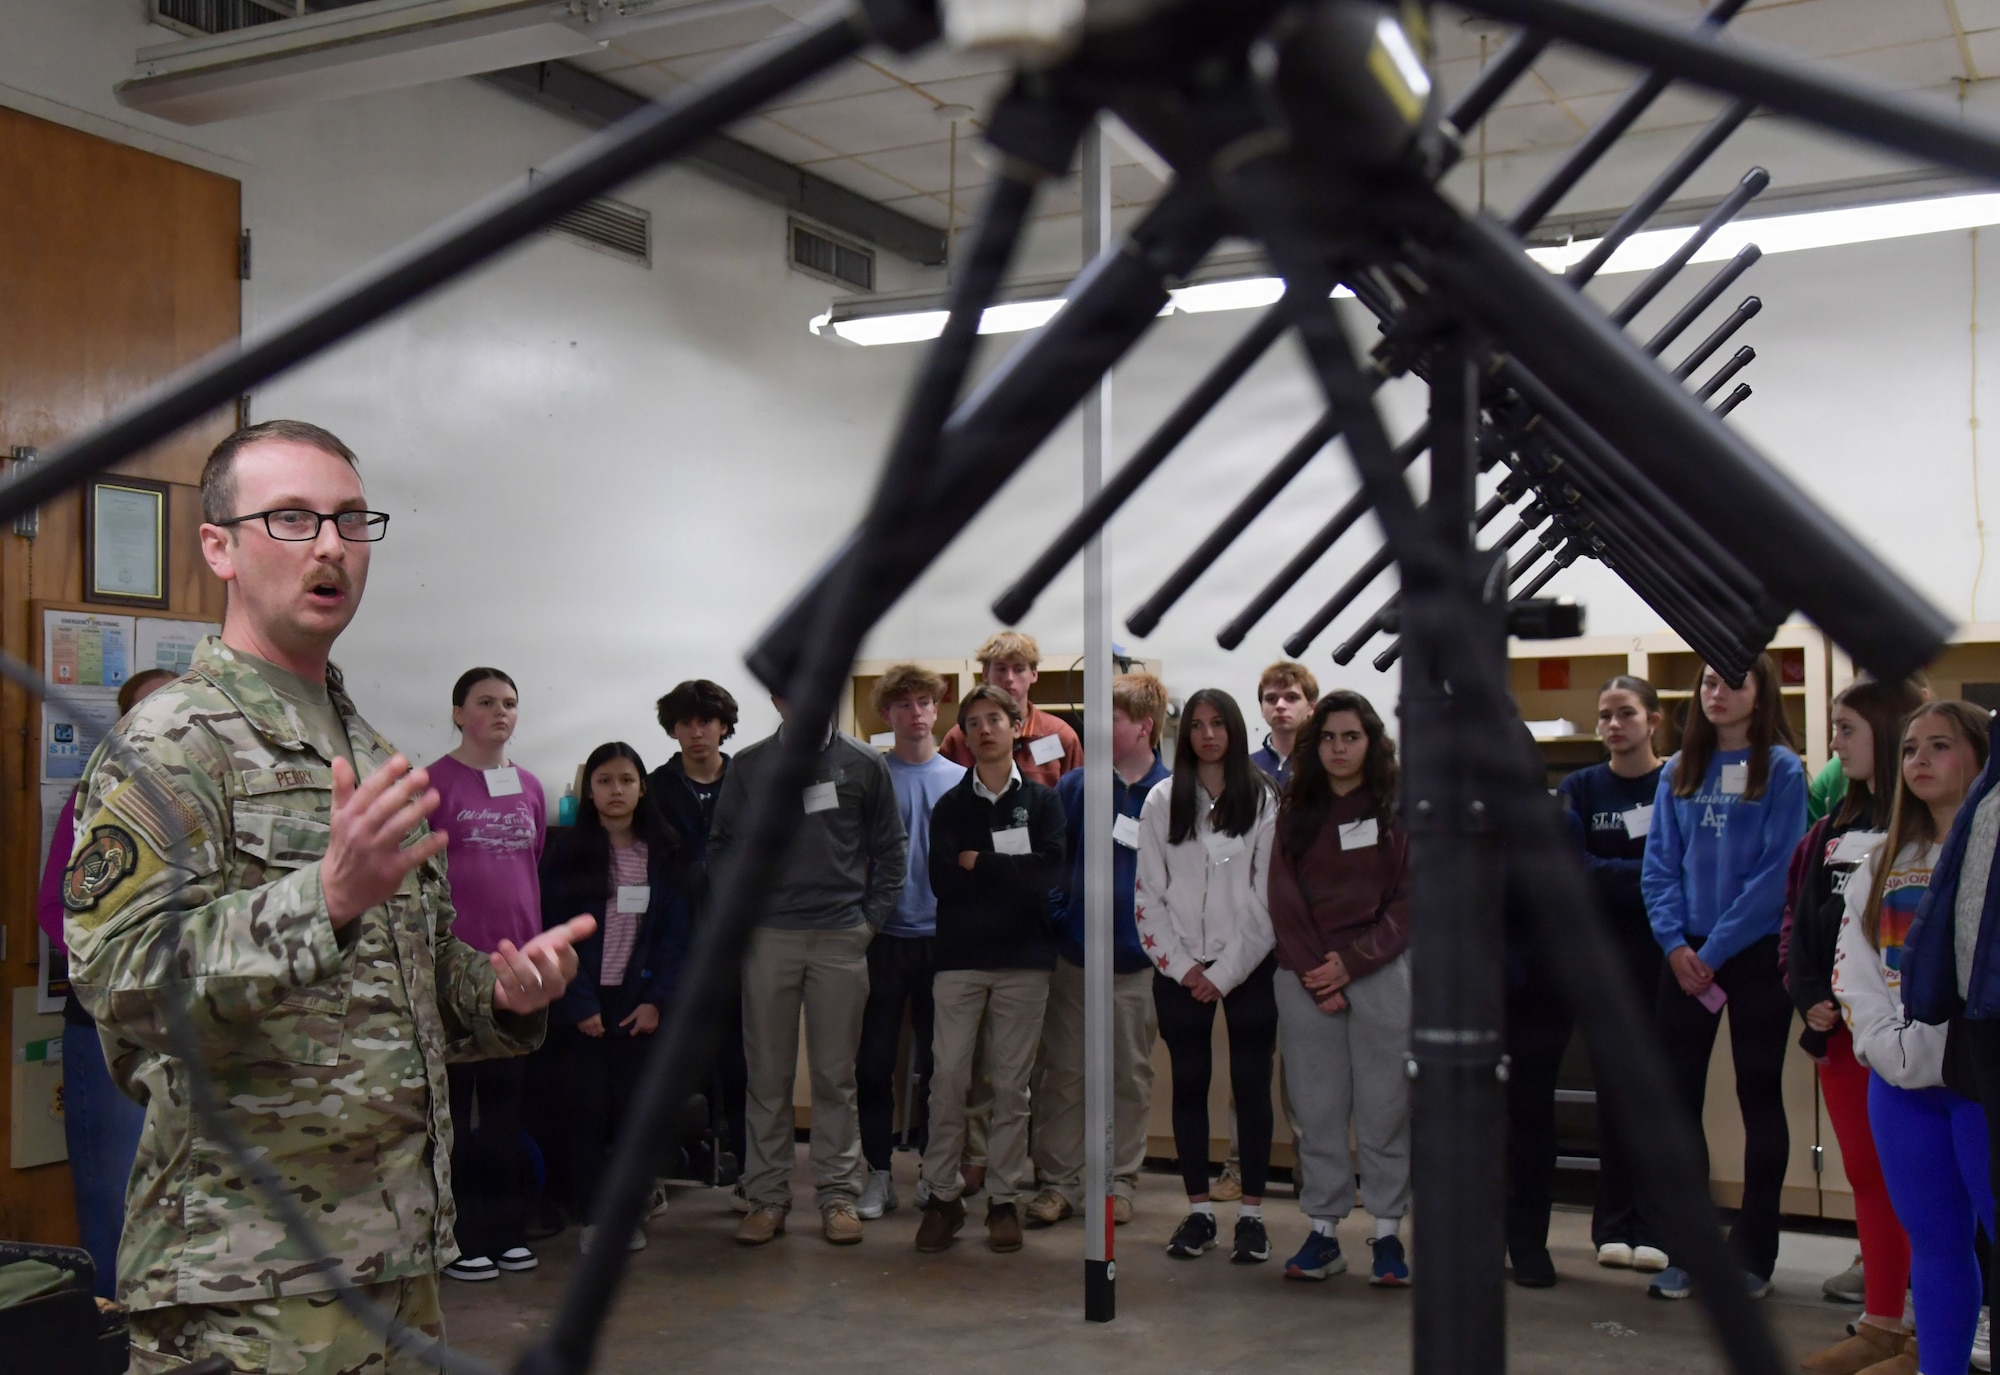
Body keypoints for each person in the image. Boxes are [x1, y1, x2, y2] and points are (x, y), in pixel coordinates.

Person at [63, 420, 590, 1374]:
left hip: (393, 1257)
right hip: (245, 1282)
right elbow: (123, 982)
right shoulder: (176, 743)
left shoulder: (367, 744)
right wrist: (324, 900)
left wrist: (502, 992)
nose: (332, 547)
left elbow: (412, 979)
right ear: (217, 544)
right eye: (294, 518)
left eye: (352, 521)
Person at [1832, 701, 1995, 1375]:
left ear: (1981, 761)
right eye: (1909, 748)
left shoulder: (1987, 857)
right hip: (1898, 1081)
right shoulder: (1881, 859)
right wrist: (1883, 1042)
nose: (1920, 760)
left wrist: (1940, 1044)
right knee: (1935, 1243)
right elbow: (1856, 962)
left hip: (1978, 1078)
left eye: (1941, 746)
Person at [1639, 654, 1808, 1301]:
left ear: (1761, 692)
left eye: (1733, 680)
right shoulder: (1679, 770)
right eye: (1709, 680)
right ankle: (1687, 1250)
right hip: (1683, 958)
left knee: (1758, 1099)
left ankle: (1753, 1257)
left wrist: (1715, 946)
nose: (1718, 691)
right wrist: (1677, 944)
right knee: (1675, 1102)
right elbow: (1658, 865)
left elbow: (1775, 876)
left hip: (1754, 953)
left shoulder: (1784, 770)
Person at [709, 696, 906, 1246]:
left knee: (834, 1077)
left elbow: (891, 847)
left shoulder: (865, 764)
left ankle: (838, 1195)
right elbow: (722, 845)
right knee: (767, 1076)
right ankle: (767, 1196)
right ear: (776, 699)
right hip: (768, 937)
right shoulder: (748, 766)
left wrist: (869, 923)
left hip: (841, 937)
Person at [1506, 676, 1668, 1287]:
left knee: (1628, 1099)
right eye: (1605, 714)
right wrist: (1651, 872)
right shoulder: (1577, 788)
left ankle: (1631, 1228)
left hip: (1577, 975)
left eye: (1625, 712)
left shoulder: (1562, 812)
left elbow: (1568, 884)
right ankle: (1490, 1234)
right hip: (1505, 980)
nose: (1613, 724)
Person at [1785, 678, 1925, 1361]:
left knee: (1922, 1185)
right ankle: (1882, 1319)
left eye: (1846, 729)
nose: (1834, 743)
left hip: (1912, 1036)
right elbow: (1803, 924)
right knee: (1867, 1177)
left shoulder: (1926, 829)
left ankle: (1932, 1324)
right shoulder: (1830, 827)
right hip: (1839, 1033)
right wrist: (1808, 990)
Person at [37, 666, 175, 1299]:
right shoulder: (99, 797)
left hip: (196, 1032)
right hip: (109, 1025)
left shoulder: (213, 794)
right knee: (115, 1203)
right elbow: (55, 911)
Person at [913, 686, 1065, 1254]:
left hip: (1025, 961)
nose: (983, 730)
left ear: (1017, 725)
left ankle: (1003, 1200)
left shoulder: (1045, 803)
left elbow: (1050, 874)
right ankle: (943, 1198)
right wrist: (1009, 872)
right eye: (973, 722)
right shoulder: (951, 806)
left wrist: (984, 863)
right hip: (958, 961)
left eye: (994, 719)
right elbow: (943, 881)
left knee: (1012, 1086)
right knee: (948, 1079)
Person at [1268, 691, 1412, 1287]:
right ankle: (1323, 1234)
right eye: (1328, 738)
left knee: (1385, 1109)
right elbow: (1282, 895)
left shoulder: (1397, 809)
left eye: (1350, 737)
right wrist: (1315, 974)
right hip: (1304, 980)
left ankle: (1386, 1235)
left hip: (1380, 973)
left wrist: (1352, 964)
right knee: (1317, 1110)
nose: (1338, 748)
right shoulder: (1297, 808)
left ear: (1371, 743)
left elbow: (1410, 899)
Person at [1137, 688, 1279, 1264]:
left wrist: (1224, 973)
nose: (1208, 734)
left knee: (1251, 1089)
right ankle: (1199, 1213)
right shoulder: (1162, 800)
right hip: (1180, 970)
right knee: (1190, 1086)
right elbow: (1148, 895)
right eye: (1196, 725)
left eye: (1218, 723)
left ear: (1235, 729)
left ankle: (1252, 1216)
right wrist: (1184, 967)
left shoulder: (1264, 798)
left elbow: (1267, 898)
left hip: (1247, 967)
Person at [1027, 673, 1168, 1228]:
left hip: (1136, 965)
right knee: (1062, 1073)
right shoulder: (1078, 786)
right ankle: (1058, 1183)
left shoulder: (1171, 793)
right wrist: (1064, 921)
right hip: (1074, 959)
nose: (1097, 727)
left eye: (1110, 716)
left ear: (1143, 725)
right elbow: (1054, 863)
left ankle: (1118, 1182)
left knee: (1129, 1076)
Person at [540, 742, 690, 1255]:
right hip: (582, 1002)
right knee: (585, 1115)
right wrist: (579, 1005)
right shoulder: (566, 851)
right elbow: (556, 931)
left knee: (632, 1114)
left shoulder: (664, 851)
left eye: (626, 780)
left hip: (639, 1002)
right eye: (604, 781)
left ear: (642, 787)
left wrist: (656, 1002)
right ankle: (593, 1219)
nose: (616, 790)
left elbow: (675, 935)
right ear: (589, 791)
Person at [428, 667, 549, 1283]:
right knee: (456, 1112)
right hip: (456, 974)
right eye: (485, 703)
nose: (500, 713)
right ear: (458, 713)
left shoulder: (529, 786)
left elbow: (533, 868)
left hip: (517, 972)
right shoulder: (433, 785)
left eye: (509, 703)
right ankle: (459, 1236)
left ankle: (504, 1231)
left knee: (505, 1111)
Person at [856, 664, 965, 1219]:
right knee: (873, 1062)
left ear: (937, 709)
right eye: (904, 705)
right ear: (887, 714)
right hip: (882, 938)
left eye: (925, 703)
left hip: (942, 940)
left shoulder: (957, 779)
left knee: (940, 1067)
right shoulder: (873, 775)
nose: (916, 714)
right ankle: (877, 1172)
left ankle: (933, 1167)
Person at [648, 678, 744, 1190]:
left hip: (739, 939)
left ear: (724, 725)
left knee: (742, 1054)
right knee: (681, 1054)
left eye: (706, 720)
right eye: (685, 722)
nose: (696, 731)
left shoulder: (746, 779)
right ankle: (681, 1152)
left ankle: (745, 1159)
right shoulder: (657, 787)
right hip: (677, 938)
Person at [939, 630, 1083, 787]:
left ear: (1034, 674)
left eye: (1019, 669)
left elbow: (1079, 798)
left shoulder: (1061, 735)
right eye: (1001, 669)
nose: (1009, 678)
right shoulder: (959, 738)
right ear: (986, 674)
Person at [1250, 661, 1317, 786]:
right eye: (1271, 699)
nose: (1280, 706)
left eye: (1291, 698)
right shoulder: (1247, 767)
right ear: (1262, 709)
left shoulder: (1325, 763)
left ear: (1311, 708)